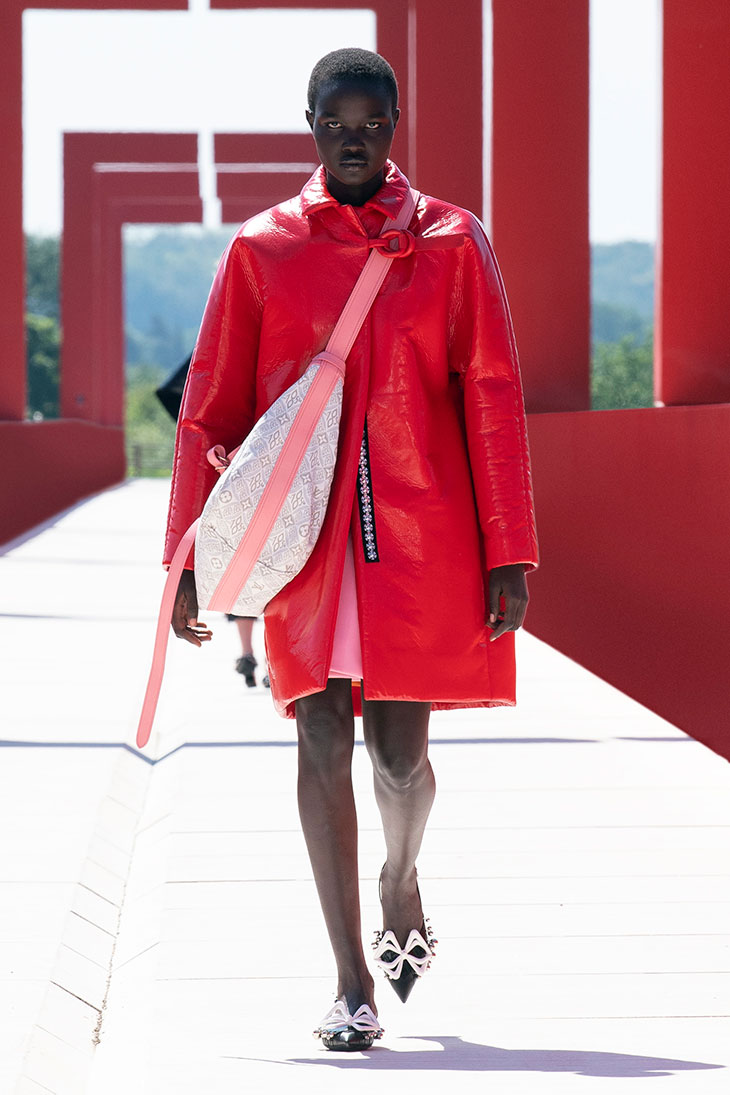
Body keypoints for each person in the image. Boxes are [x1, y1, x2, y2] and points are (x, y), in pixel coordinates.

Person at [164, 48, 538, 1050]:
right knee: (320, 733)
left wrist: (512, 547)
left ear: (395, 125)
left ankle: (398, 876)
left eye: (374, 122)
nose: (357, 137)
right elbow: (209, 412)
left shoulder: (454, 242)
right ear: (312, 125)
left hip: (418, 532)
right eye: (339, 121)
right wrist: (187, 555)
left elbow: (491, 393)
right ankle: (350, 981)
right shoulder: (263, 249)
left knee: (399, 754)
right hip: (307, 544)